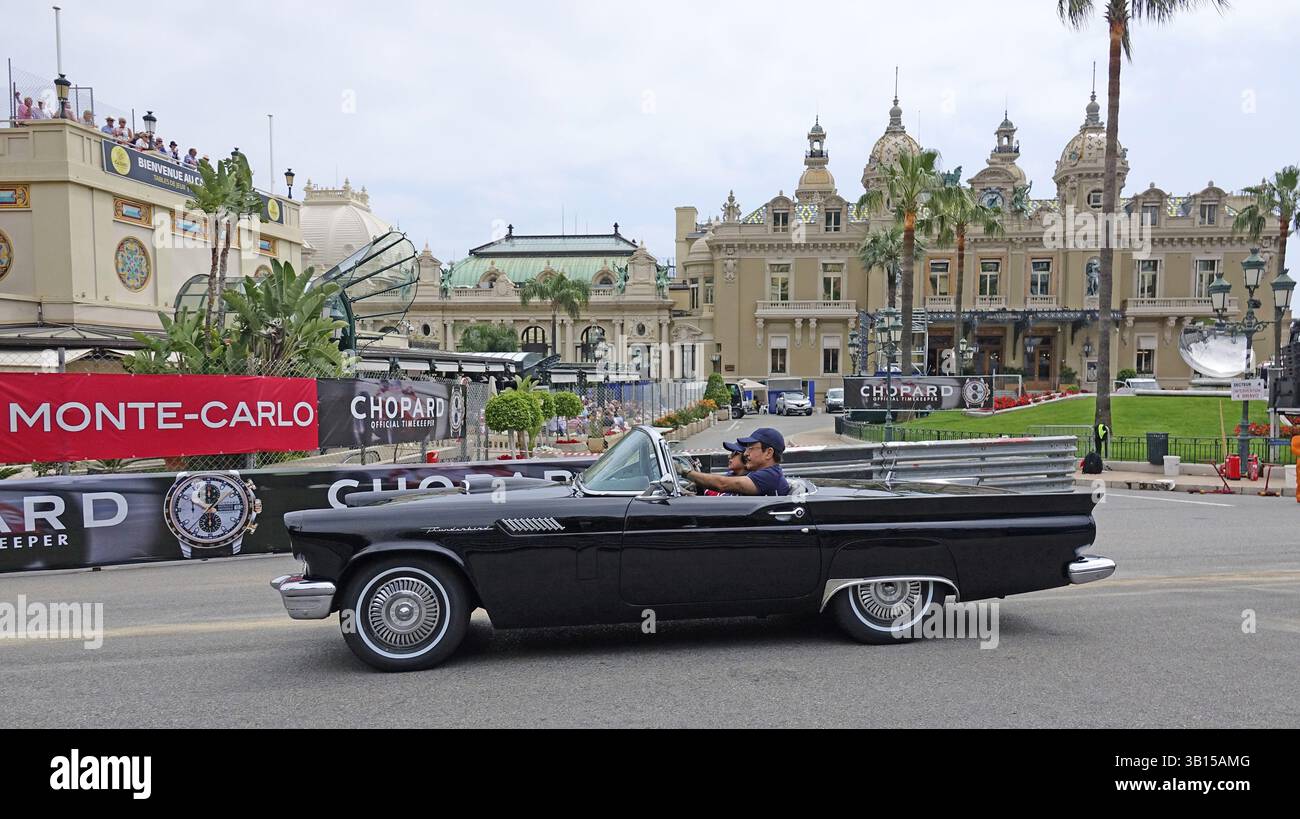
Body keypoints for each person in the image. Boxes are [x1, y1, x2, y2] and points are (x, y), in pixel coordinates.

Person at [679, 427, 790, 496]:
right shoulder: (756, 473)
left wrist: (685, 472)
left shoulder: (770, 475)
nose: (746, 453)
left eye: (751, 448)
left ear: (768, 453)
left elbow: (722, 484)